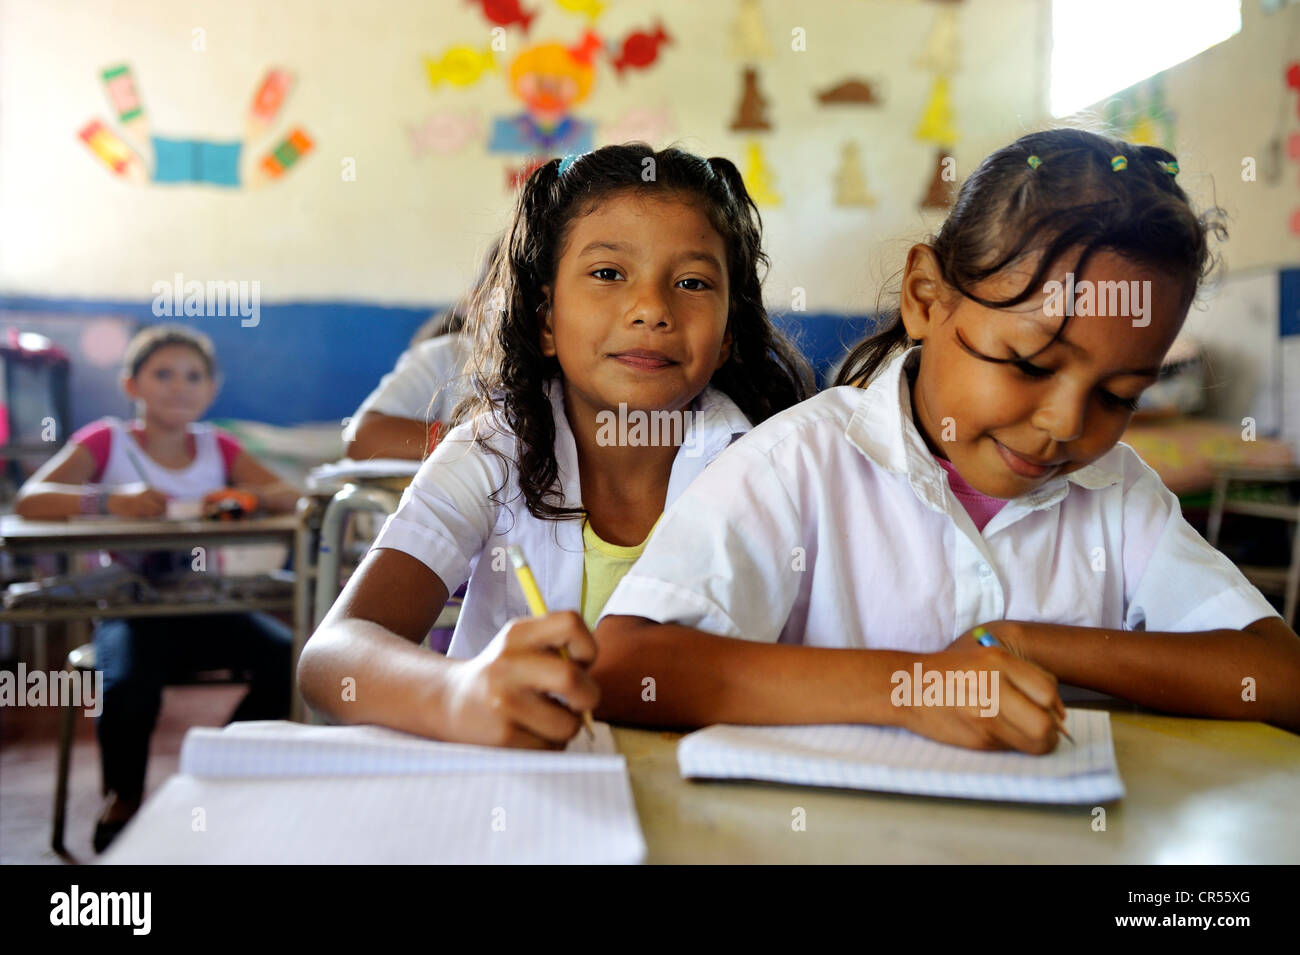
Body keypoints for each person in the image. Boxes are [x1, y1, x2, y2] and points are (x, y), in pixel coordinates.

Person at [593, 128, 1300, 751]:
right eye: (1029, 363)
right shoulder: (798, 463)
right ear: (926, 297)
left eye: (1118, 395)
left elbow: (1277, 675)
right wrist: (915, 686)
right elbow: (627, 665)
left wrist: (1020, 641)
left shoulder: (1116, 492)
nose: (1064, 424)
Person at [298, 144, 813, 748]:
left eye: (692, 282)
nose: (651, 308)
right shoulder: (492, 451)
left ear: (726, 336)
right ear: (545, 319)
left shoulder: (767, 463)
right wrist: (458, 693)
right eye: (607, 274)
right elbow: (332, 657)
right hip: (510, 802)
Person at [16, 324, 299, 850]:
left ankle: (218, 766)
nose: (179, 386)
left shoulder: (218, 446)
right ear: (132, 386)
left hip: (206, 608)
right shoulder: (108, 441)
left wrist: (244, 500)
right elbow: (33, 500)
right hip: (130, 611)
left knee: (294, 662)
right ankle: (123, 799)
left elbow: (288, 494)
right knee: (126, 684)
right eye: (162, 373)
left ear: (211, 391)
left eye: (194, 376)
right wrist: (107, 501)